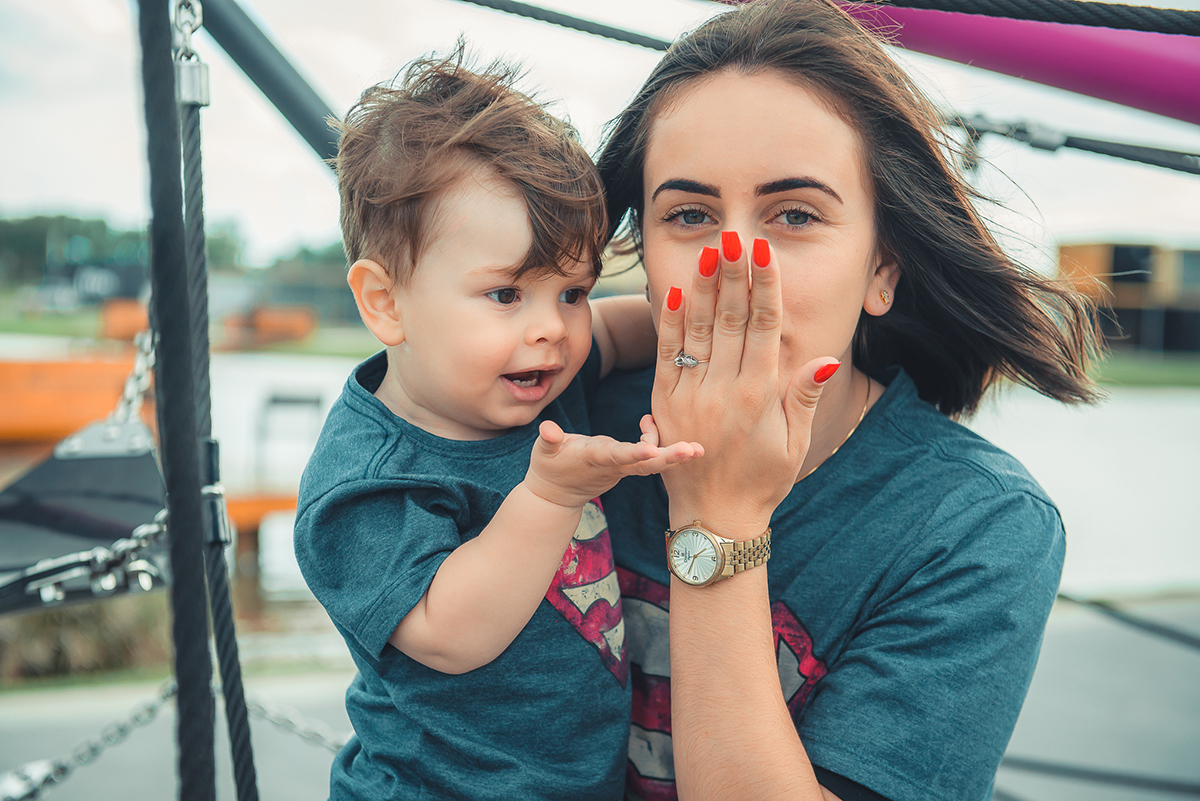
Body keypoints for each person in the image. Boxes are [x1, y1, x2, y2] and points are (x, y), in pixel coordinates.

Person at [591, 1, 1104, 799]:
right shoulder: (563, 418)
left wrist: (715, 516)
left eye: (794, 215)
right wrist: (580, 341)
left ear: (882, 269)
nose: (737, 264)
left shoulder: (974, 523)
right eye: (689, 215)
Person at [293, 52, 701, 801]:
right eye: (506, 292)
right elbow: (452, 633)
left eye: (573, 291)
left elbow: (637, 327)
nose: (552, 328)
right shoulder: (366, 479)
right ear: (386, 302)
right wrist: (549, 496)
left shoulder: (538, 371)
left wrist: (719, 321)